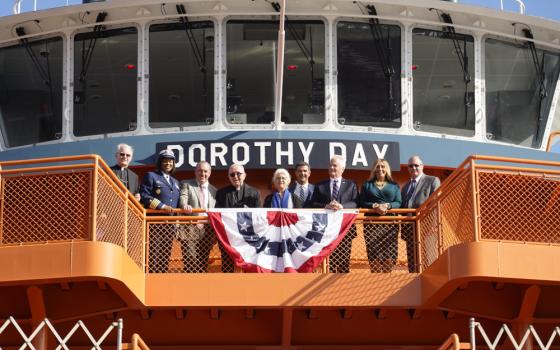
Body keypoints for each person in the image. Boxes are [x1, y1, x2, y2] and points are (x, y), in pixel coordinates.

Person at [309, 155, 358, 273]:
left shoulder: (351, 184)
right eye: (330, 165)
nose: (331, 167)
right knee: (327, 263)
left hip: (344, 229)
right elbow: (313, 204)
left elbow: (356, 203)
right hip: (325, 231)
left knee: (343, 263)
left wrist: (343, 207)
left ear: (342, 168)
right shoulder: (320, 185)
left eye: (335, 165)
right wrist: (325, 206)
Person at [140, 149, 181, 273]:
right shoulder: (151, 176)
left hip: (170, 225)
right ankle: (151, 277)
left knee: (165, 254)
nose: (168, 163)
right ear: (160, 162)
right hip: (155, 223)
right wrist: (162, 207)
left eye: (170, 161)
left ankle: (162, 276)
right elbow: (144, 196)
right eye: (165, 160)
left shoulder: (176, 182)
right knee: (153, 254)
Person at [215, 164, 261, 272]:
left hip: (248, 238)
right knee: (227, 265)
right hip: (228, 236)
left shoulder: (254, 193)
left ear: (244, 175)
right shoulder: (221, 193)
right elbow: (217, 214)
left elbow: (259, 216)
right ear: (229, 177)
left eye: (238, 174)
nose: (235, 176)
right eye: (232, 174)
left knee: (248, 266)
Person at [359, 159, 402, 273]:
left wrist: (387, 206)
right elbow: (361, 202)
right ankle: (376, 276)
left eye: (383, 166)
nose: (380, 169)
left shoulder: (394, 185)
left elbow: (398, 202)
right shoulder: (367, 185)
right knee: (374, 253)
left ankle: (387, 278)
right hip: (372, 224)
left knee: (389, 253)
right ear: (374, 169)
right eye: (377, 167)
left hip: (390, 224)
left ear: (387, 169)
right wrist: (374, 206)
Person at [401, 155, 441, 272]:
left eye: (416, 165)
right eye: (410, 166)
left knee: (429, 259)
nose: (413, 168)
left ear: (422, 166)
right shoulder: (405, 187)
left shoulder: (432, 180)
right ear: (408, 168)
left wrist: (433, 224)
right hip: (410, 229)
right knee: (413, 262)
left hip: (427, 226)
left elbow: (436, 203)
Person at [178, 161, 217, 273]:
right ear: (195, 171)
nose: (202, 173)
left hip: (207, 229)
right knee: (190, 258)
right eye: (200, 170)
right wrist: (184, 205)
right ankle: (190, 285)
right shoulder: (186, 184)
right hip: (190, 227)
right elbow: (183, 197)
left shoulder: (214, 190)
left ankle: (200, 285)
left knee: (203, 260)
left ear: (209, 173)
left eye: (205, 171)